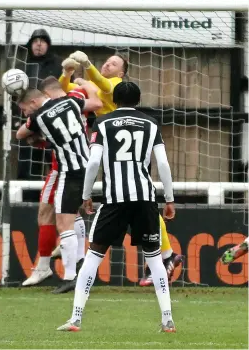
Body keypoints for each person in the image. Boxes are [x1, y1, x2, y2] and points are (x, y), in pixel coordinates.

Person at [58, 81, 176, 332]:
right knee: (154, 258)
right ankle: (167, 318)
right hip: (145, 198)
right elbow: (163, 164)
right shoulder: (151, 123)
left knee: (93, 256)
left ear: (115, 99)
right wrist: (169, 198)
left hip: (114, 199)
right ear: (138, 99)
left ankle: (76, 317)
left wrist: (86, 194)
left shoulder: (102, 123)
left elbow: (93, 163)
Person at [61, 52, 183, 285]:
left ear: (122, 73)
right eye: (106, 60)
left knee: (137, 203)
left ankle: (164, 257)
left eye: (114, 63)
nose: (107, 63)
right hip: (113, 153)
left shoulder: (114, 84)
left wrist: (86, 67)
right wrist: (67, 74)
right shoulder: (98, 85)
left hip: (124, 153)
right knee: (138, 204)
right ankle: (166, 256)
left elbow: (102, 84)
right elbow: (68, 91)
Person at [16, 77, 102, 294]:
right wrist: (81, 80)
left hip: (68, 170)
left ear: (34, 103)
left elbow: (20, 134)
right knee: (74, 217)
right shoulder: (73, 100)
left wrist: (36, 132)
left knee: (64, 225)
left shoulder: (38, 116)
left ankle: (72, 276)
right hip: (88, 165)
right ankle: (75, 268)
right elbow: (95, 100)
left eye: (25, 110)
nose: (26, 114)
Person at [16, 29, 63, 182]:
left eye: (42, 41)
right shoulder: (22, 65)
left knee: (54, 160)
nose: (38, 44)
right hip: (29, 120)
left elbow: (64, 90)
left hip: (52, 119)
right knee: (28, 161)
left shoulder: (58, 64)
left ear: (48, 45)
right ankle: (28, 197)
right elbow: (15, 94)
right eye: (35, 41)